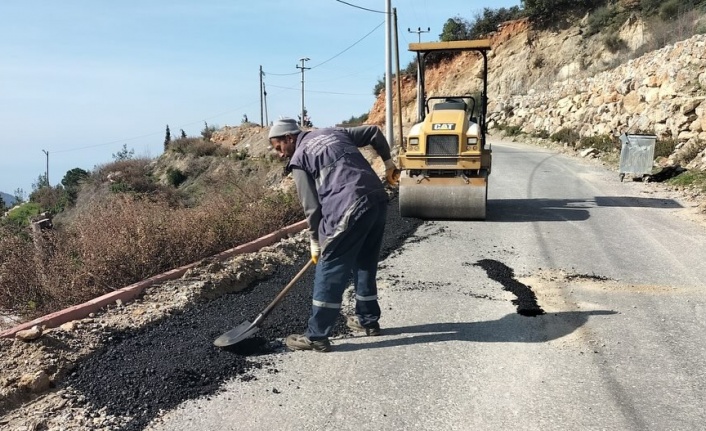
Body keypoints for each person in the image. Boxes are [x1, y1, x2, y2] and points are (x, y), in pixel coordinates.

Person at [268, 117, 400, 352]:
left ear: (289, 138)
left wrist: (315, 240)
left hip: (347, 206)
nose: (280, 154)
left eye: (279, 147)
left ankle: (317, 335)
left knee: (329, 266)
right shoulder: (333, 133)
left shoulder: (299, 158)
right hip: (376, 199)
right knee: (365, 261)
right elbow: (373, 132)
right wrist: (389, 163)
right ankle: (367, 320)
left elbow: (312, 208)